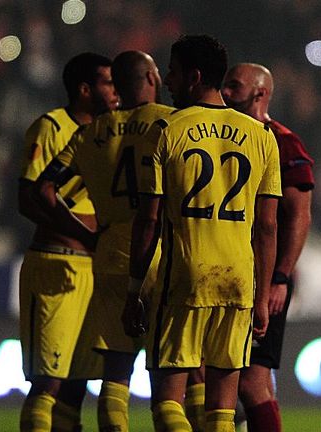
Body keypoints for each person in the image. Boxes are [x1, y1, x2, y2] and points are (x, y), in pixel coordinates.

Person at [123, 34, 282, 432]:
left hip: (184, 279)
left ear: (193, 77)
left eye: (173, 73)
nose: (168, 82)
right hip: (239, 281)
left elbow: (149, 219)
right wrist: (261, 297)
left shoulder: (166, 130)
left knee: (166, 405)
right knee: (221, 415)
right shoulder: (262, 137)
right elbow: (266, 226)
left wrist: (134, 289)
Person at [38, 50, 174, 432]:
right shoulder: (171, 122)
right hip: (164, 251)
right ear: (151, 78)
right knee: (178, 378)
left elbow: (45, 187)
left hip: (113, 250)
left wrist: (83, 231)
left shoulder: (90, 133)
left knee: (116, 374)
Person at [17, 52, 118, 432]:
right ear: (84, 89)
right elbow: (27, 198)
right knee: (48, 383)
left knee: (77, 386)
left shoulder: (111, 132)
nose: (116, 90)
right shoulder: (51, 127)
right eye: (108, 83)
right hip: (56, 264)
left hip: (96, 270)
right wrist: (84, 232)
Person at [222, 63, 314, 432]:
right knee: (229, 379)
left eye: (234, 86)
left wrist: (279, 277)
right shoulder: (223, 135)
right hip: (224, 268)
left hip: (261, 278)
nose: (225, 92)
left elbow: (298, 217)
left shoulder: (283, 141)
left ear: (260, 93)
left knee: (250, 380)